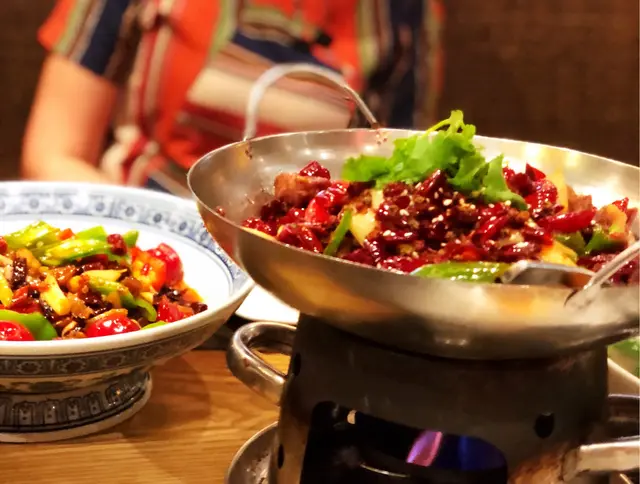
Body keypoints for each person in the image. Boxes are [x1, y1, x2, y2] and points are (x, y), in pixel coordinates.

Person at [23, 0, 444, 196]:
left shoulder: (405, 11)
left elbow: (397, 178)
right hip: (142, 232)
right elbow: (52, 154)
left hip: (300, 272)